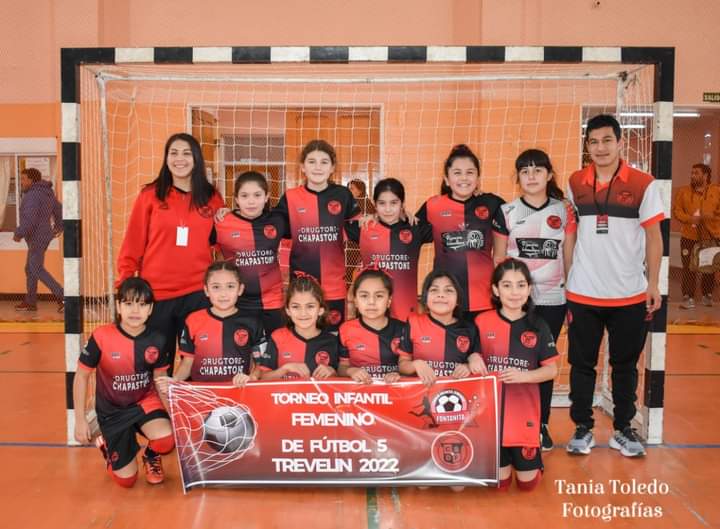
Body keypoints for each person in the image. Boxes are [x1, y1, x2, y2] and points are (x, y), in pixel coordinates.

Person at [564, 114, 664, 458]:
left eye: (607, 140)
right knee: (581, 366)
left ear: (620, 142)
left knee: (624, 367)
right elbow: (571, 233)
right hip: (583, 292)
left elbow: (654, 237)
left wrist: (653, 283)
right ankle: (582, 428)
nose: (601, 147)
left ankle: (623, 428)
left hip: (629, 294)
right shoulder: (575, 182)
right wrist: (569, 278)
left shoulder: (644, 183)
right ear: (587, 146)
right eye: (593, 141)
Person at [117, 133, 224, 375]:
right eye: (173, 153)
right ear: (166, 158)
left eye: (186, 153)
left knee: (197, 366)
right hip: (158, 294)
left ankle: (192, 401)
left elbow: (223, 243)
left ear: (196, 159)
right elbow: (133, 243)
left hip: (197, 294)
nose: (179, 159)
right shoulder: (150, 195)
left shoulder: (211, 197)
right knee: (156, 366)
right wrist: (125, 285)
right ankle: (156, 401)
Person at [495, 149, 577, 451]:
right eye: (525, 171)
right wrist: (504, 296)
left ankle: (540, 424)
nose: (531, 176)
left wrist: (572, 299)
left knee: (543, 363)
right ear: (518, 177)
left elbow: (569, 257)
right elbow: (499, 259)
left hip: (553, 299)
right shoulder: (507, 211)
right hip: (516, 301)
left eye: (537, 170)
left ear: (549, 175)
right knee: (515, 360)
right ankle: (508, 421)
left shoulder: (564, 211)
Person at [72, 277, 174, 487]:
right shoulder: (101, 337)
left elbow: (160, 380)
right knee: (126, 480)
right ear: (118, 306)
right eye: (128, 303)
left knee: (167, 438)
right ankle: (108, 447)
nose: (135, 310)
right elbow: (81, 376)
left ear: (150, 309)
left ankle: (151, 455)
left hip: (144, 403)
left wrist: (173, 415)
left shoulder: (158, 339)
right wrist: (80, 420)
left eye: (142, 304)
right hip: (113, 412)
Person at [475, 258, 559, 491]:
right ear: (496, 289)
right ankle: (502, 459)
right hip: (490, 418)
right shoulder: (481, 322)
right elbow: (468, 355)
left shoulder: (538, 325)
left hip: (523, 414)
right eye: (507, 285)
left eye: (521, 285)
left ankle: (532, 453)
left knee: (527, 485)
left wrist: (524, 376)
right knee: (500, 484)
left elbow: (551, 370)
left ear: (529, 289)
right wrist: (472, 357)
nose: (514, 292)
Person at [275, 140, 360, 330]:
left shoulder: (343, 195)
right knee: (301, 335)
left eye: (324, 162)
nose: (318, 167)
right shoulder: (290, 197)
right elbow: (271, 226)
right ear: (302, 167)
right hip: (301, 287)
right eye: (312, 161)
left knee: (333, 338)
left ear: (332, 168)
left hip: (334, 285)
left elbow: (360, 229)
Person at [416, 145, 508, 320]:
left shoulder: (493, 203)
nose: (464, 178)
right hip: (446, 301)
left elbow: (519, 222)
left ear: (478, 178)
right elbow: (406, 235)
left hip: (484, 299)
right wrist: (378, 217)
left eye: (470, 172)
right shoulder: (433, 206)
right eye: (457, 173)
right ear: (447, 179)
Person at [155, 262, 265, 394]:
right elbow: (188, 363)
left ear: (240, 289)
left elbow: (261, 364)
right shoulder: (193, 320)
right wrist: (175, 380)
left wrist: (251, 377)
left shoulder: (252, 322)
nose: (223, 294)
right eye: (216, 287)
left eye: (230, 286)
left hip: (238, 393)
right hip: (202, 396)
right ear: (206, 290)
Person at [345, 178, 433, 321]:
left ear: (402, 204)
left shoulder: (416, 228)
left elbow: (444, 221)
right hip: (372, 313)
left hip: (406, 313)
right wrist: (366, 216)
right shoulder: (363, 227)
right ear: (375, 204)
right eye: (382, 203)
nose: (387, 209)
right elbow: (332, 223)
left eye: (394, 203)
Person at [213, 171, 287, 332]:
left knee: (274, 346)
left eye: (257, 195)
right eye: (244, 196)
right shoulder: (222, 223)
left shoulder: (277, 220)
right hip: (238, 302)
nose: (251, 201)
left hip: (273, 301)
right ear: (236, 199)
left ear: (267, 197)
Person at [397, 270, 487, 386]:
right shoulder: (413, 322)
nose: (441, 295)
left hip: (457, 393)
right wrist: (416, 364)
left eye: (448, 290)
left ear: (458, 300)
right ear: (425, 297)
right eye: (434, 290)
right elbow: (402, 365)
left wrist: (468, 367)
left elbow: (477, 365)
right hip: (422, 394)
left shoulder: (469, 329)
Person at [257, 273, 340, 380]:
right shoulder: (277, 337)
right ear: (288, 310)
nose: (303, 313)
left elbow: (344, 377)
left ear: (320, 310)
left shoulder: (332, 341)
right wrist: (285, 369)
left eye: (310, 306)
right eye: (296, 307)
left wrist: (333, 372)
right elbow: (262, 377)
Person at [338, 268, 403, 383]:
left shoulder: (403, 329)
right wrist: (351, 371)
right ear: (355, 301)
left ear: (389, 301)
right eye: (364, 296)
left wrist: (400, 374)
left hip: (396, 391)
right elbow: (341, 368)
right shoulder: (346, 330)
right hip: (360, 392)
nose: (371, 302)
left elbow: (410, 366)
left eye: (379, 296)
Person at [13, 168, 64, 312]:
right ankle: (30, 302)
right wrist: (58, 226)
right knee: (30, 268)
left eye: (23, 179)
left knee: (35, 268)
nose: (21, 182)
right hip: (43, 235)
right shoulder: (47, 193)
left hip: (36, 236)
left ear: (31, 180)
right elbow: (59, 209)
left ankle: (63, 297)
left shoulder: (32, 195)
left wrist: (19, 233)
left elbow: (30, 219)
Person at [672, 163, 720, 309]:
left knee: (709, 266)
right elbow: (677, 211)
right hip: (689, 236)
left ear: (705, 175)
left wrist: (711, 217)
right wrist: (690, 219)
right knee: (689, 267)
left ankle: (707, 295)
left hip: (710, 237)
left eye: (696, 173)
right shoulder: (683, 192)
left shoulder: (716, 191)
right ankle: (688, 297)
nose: (693, 175)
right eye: (692, 173)